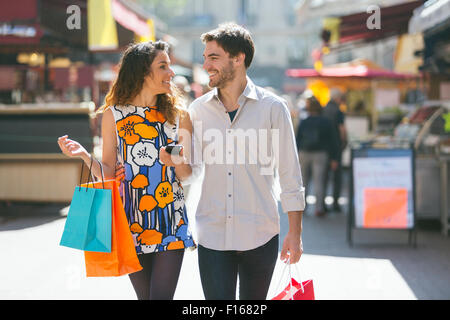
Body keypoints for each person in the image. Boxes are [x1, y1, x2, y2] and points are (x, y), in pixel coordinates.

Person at [57, 41, 196, 300]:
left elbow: (187, 174)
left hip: (171, 220)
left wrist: (174, 161)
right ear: (143, 71)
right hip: (131, 221)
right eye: (163, 66)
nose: (172, 72)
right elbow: (109, 173)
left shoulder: (179, 116)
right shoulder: (113, 115)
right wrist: (85, 156)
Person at [188, 22, 306, 300]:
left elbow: (290, 173)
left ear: (238, 58)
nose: (206, 65)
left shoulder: (273, 108)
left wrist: (295, 233)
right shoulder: (197, 111)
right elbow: (190, 172)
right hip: (213, 234)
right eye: (205, 57)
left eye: (213, 57)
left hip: (260, 233)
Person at [296, 95, 339, 217]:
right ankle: (319, 208)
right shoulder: (326, 122)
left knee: (303, 181)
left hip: (304, 153)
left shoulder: (304, 122)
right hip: (321, 154)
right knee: (319, 181)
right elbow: (333, 140)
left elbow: (297, 139)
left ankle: (302, 207)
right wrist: (334, 158)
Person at [322, 88, 347, 212]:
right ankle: (335, 204)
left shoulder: (323, 109)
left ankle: (322, 204)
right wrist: (344, 143)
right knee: (337, 177)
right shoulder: (338, 111)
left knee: (324, 177)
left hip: (323, 147)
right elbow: (342, 130)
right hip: (336, 145)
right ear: (337, 98)